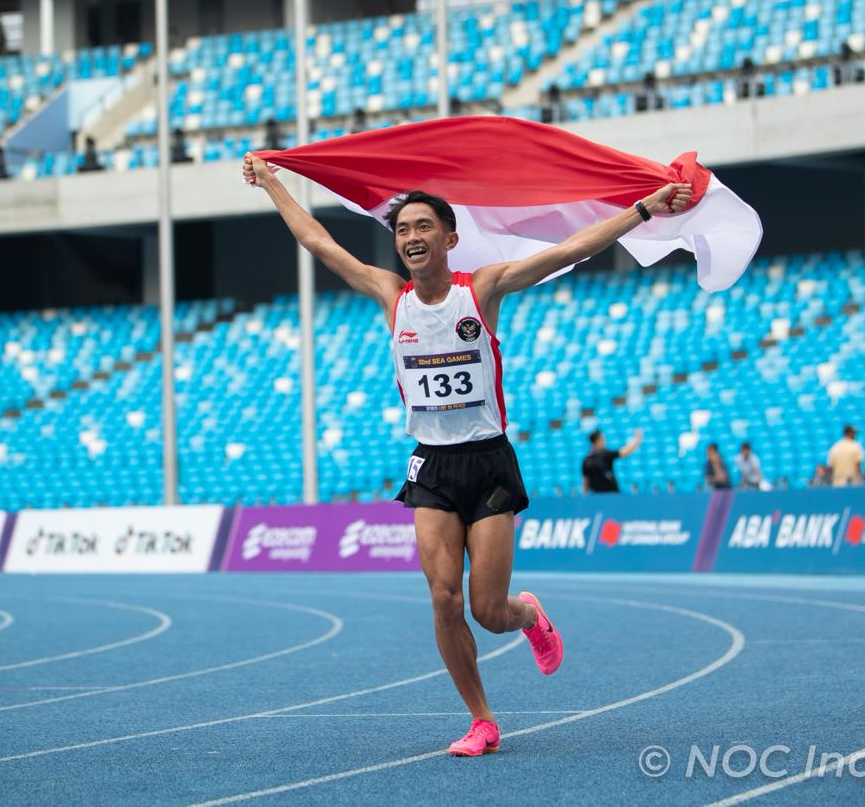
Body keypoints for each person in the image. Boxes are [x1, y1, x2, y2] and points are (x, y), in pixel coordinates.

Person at [244, 150, 693, 757]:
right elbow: (319, 243)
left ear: (450, 238)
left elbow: (569, 250)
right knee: (443, 598)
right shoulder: (390, 295)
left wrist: (642, 209)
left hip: (487, 461)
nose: (411, 237)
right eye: (403, 229)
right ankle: (482, 720)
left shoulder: (481, 289)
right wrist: (273, 184)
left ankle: (528, 615)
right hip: (431, 463)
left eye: (424, 226)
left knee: (487, 610)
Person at [581, 428, 642, 493]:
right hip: (610, 494)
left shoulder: (587, 460)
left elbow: (585, 482)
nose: (604, 442)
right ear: (598, 441)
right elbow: (625, 451)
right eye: (603, 439)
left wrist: (584, 496)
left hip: (599, 495)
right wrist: (637, 439)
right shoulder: (604, 455)